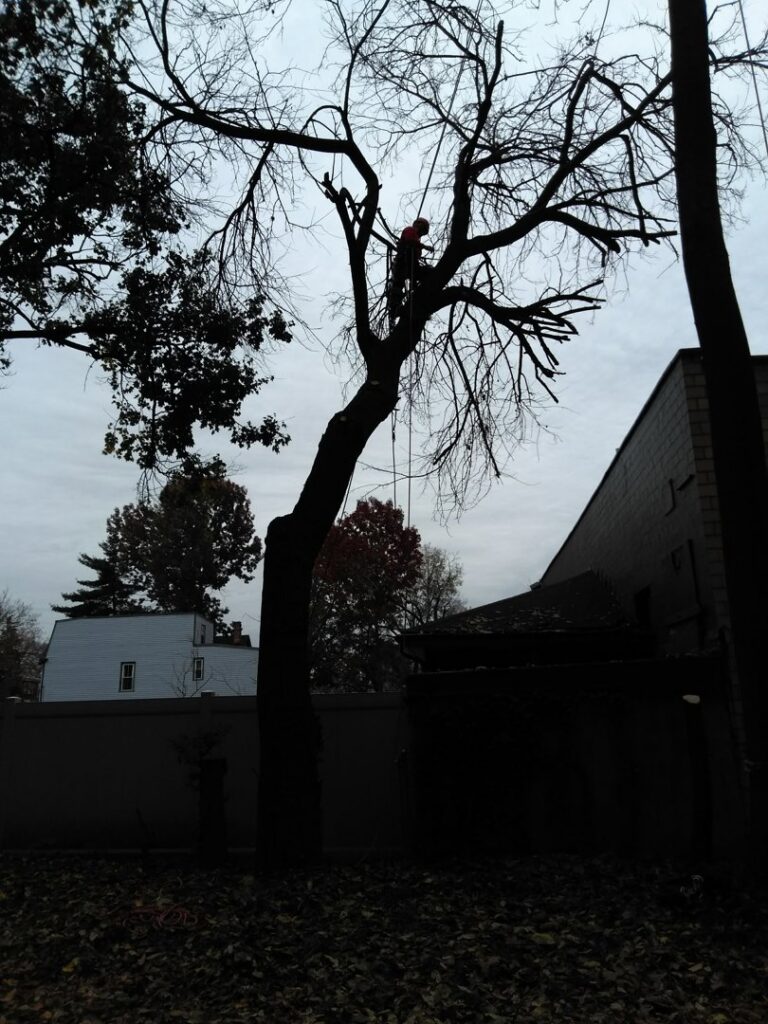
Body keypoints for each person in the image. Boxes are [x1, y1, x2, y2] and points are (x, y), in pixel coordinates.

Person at [389, 217, 433, 318]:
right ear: (418, 225)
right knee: (398, 285)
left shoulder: (416, 239)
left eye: (423, 233)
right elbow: (409, 240)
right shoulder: (410, 230)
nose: (420, 234)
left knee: (427, 272)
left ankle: (421, 302)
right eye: (421, 231)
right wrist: (424, 246)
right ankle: (395, 308)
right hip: (403, 263)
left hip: (411, 265)